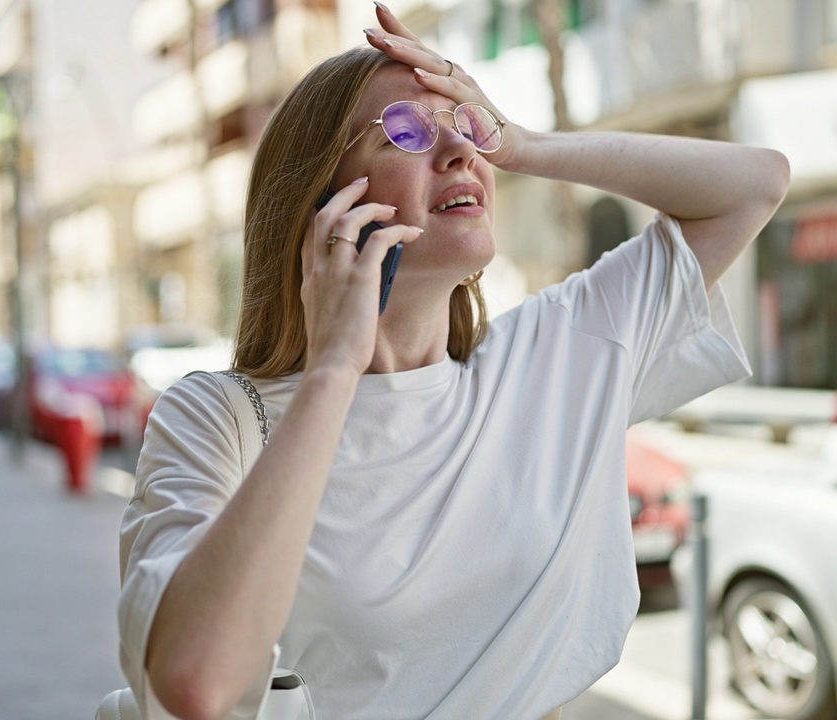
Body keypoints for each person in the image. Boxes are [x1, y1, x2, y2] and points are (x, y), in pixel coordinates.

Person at [118, 6, 790, 719]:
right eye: (407, 130)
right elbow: (195, 681)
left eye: (465, 127)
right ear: (324, 202)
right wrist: (333, 371)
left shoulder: (550, 355)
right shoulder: (213, 419)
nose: (460, 152)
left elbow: (754, 185)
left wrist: (524, 146)